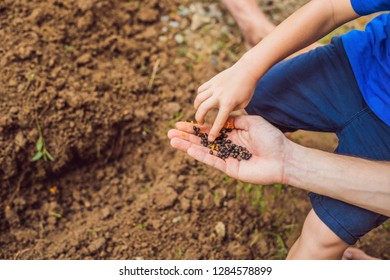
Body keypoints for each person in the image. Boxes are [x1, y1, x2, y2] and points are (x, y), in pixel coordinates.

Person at [169, 0, 390, 259]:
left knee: (319, 242)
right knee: (257, 104)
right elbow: (331, 7)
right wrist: (247, 68)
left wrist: (287, 163)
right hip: (359, 62)